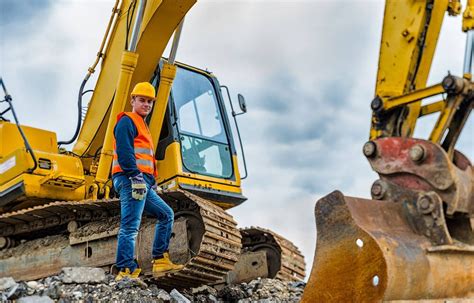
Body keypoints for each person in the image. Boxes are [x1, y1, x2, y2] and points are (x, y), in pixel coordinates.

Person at [112, 82, 184, 281]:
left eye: (149, 102)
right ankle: (125, 270)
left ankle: (160, 259)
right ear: (133, 100)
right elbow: (125, 152)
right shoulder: (127, 121)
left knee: (166, 214)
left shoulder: (142, 125)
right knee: (130, 225)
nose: (146, 104)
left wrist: (151, 181)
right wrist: (135, 176)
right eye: (142, 100)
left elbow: (145, 158)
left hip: (142, 181)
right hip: (130, 179)